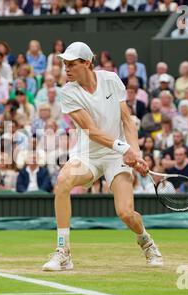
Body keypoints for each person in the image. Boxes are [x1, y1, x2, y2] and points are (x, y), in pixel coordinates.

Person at [42, 42, 162, 272]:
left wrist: (134, 152)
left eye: (71, 64)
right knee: (63, 181)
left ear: (86, 63)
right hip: (88, 154)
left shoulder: (111, 79)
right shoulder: (68, 92)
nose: (66, 68)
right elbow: (92, 131)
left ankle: (146, 241)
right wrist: (123, 148)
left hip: (115, 158)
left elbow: (126, 120)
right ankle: (63, 252)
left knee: (126, 213)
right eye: (64, 64)